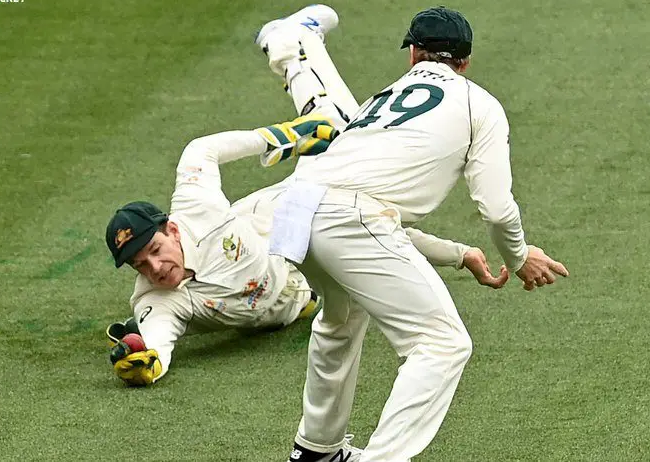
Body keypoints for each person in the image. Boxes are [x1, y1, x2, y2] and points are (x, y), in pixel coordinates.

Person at [253, 4, 570, 461]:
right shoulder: (478, 103)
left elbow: (358, 211)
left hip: (296, 209)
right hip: (351, 217)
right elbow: (497, 210)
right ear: (465, 61)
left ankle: (316, 451)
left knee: (340, 319)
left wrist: (458, 254)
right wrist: (518, 258)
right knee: (442, 343)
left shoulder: (380, 100)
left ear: (414, 55)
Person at [104, 111, 503, 387]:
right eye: (140, 265)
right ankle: (295, 49)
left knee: (362, 205)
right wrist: (145, 366)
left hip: (276, 219)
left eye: (155, 249)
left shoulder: (197, 208)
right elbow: (158, 348)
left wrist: (286, 137)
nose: (155, 267)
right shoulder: (155, 300)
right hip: (295, 291)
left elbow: (199, 150)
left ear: (172, 229)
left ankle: (298, 56)